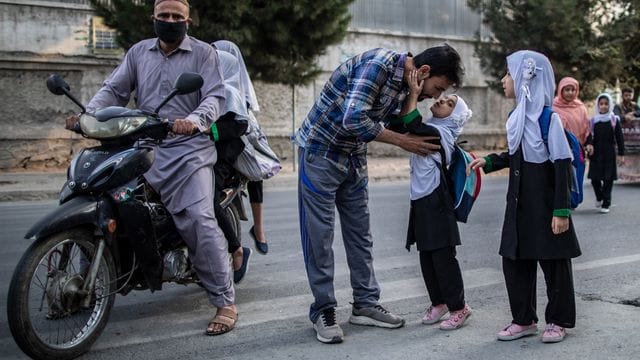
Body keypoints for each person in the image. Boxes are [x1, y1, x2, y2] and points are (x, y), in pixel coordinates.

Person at [66, 0, 238, 336]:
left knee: (199, 219)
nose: (170, 21)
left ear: (187, 20)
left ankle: (225, 301)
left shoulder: (203, 54)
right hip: (143, 146)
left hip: (188, 150)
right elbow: (114, 89)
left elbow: (215, 97)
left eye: (176, 17)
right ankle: (96, 280)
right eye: (164, 16)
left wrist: (193, 120)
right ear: (154, 19)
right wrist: (87, 115)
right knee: (105, 199)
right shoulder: (138, 52)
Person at [293, 44, 464, 344]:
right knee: (319, 237)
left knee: (361, 235)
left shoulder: (408, 83)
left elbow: (395, 121)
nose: (435, 97)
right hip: (321, 152)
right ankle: (323, 309)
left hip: (354, 156)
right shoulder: (379, 64)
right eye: (437, 88)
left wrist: (413, 96)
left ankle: (365, 304)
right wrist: (402, 142)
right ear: (424, 71)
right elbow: (353, 119)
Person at [467, 50, 581, 343]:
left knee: (554, 263)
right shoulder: (516, 117)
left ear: (525, 78)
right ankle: (524, 320)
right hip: (518, 203)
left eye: (508, 74)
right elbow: (517, 154)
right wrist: (490, 161)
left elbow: (562, 165)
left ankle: (557, 320)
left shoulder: (548, 119)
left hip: (545, 205)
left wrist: (561, 211)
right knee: (515, 260)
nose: (504, 80)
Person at [400, 70, 473, 331]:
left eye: (450, 103)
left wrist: (414, 93)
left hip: (436, 201)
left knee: (443, 257)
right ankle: (439, 303)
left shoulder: (442, 133)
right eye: (445, 98)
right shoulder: (436, 126)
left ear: (455, 116)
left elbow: (411, 123)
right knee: (427, 256)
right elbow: (402, 124)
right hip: (420, 200)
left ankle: (459, 307)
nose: (442, 101)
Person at [214, 40, 270, 255]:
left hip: (236, 143)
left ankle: (259, 228)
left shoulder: (234, 88)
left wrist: (211, 131)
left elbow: (240, 124)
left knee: (256, 174)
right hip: (213, 144)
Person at [585, 93, 625, 213]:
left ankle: (606, 203)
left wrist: (621, 155)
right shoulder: (593, 121)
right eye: (601, 104)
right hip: (596, 154)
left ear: (610, 105)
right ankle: (599, 197)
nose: (603, 106)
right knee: (594, 179)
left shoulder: (614, 120)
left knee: (608, 180)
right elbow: (590, 136)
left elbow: (619, 138)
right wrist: (589, 144)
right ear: (598, 105)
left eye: (606, 104)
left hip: (609, 153)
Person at [552, 77, 590, 146]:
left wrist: (589, 144)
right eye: (567, 90)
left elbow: (587, 127)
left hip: (579, 147)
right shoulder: (554, 107)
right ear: (561, 90)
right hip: (561, 148)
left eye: (573, 90)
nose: (570, 93)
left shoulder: (580, 107)